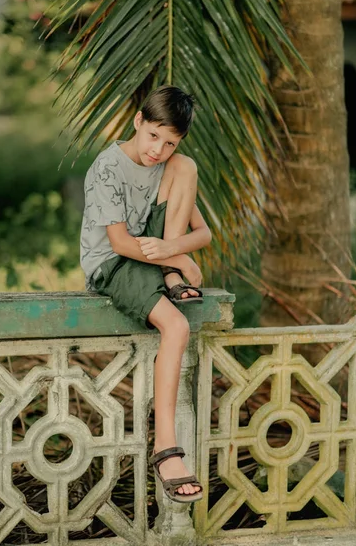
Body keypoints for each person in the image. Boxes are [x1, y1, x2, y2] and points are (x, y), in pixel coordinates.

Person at [80, 85, 212, 503]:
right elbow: (119, 244)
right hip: (113, 263)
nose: (158, 149)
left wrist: (174, 252)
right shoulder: (108, 167)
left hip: (154, 252)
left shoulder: (173, 164)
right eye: (153, 135)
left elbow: (205, 233)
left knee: (187, 168)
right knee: (175, 325)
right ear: (138, 122)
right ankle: (166, 448)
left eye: (170, 142)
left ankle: (172, 273)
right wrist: (177, 261)